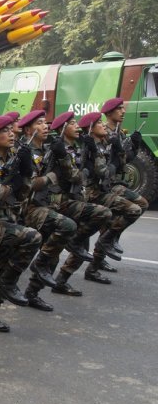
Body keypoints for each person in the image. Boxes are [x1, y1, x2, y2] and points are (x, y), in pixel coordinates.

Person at [0, 115, 42, 332]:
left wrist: (25, 171)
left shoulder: (13, 156)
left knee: (7, 271)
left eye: (11, 130)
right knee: (33, 237)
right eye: (5, 131)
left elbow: (24, 193)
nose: (12, 134)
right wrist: (15, 178)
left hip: (8, 219)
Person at [43, 112, 112, 295]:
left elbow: (91, 171)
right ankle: (34, 291)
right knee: (53, 252)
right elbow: (75, 176)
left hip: (74, 199)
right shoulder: (58, 149)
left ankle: (60, 282)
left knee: (82, 246)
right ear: (63, 128)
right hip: (58, 202)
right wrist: (88, 170)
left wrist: (91, 156)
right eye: (72, 123)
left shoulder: (76, 147)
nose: (77, 127)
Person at [77, 110, 146, 284]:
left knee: (111, 224)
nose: (123, 111)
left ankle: (95, 265)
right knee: (80, 238)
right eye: (99, 123)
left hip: (107, 188)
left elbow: (121, 164)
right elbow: (103, 172)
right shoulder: (90, 145)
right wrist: (114, 159)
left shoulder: (104, 141)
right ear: (92, 128)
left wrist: (133, 148)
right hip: (94, 193)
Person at [17, 111, 77, 312]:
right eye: (39, 123)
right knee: (66, 227)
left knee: (54, 252)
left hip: (47, 205)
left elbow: (70, 176)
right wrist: (52, 176)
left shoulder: (48, 151)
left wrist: (63, 156)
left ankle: (32, 293)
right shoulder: (23, 153)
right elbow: (29, 185)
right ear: (27, 130)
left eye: (46, 123)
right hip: (28, 208)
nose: (45, 127)